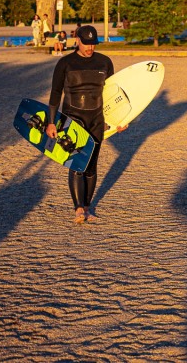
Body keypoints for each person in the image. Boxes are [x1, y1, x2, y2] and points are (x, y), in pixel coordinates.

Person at [46, 25, 125, 223]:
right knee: (76, 163)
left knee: (91, 165)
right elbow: (56, 94)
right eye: (87, 44)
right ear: (77, 40)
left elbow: (111, 95)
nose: (90, 48)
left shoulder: (105, 62)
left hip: (97, 118)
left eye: (93, 44)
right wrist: (51, 122)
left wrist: (118, 121)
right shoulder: (65, 63)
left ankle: (88, 207)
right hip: (73, 118)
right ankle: (78, 208)